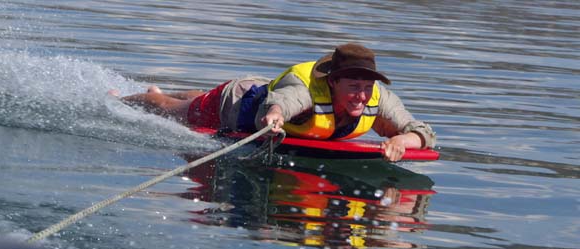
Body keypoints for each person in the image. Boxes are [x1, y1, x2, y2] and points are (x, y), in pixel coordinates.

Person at [112, 43, 436, 161]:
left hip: (256, 88)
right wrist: (275, 118)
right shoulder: (304, 88)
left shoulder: (378, 97)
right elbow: (280, 105)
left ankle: (169, 92)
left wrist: (402, 140)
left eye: (366, 87)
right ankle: (126, 98)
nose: (361, 96)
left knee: (192, 98)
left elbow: (421, 132)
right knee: (172, 110)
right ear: (333, 82)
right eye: (353, 86)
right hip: (237, 105)